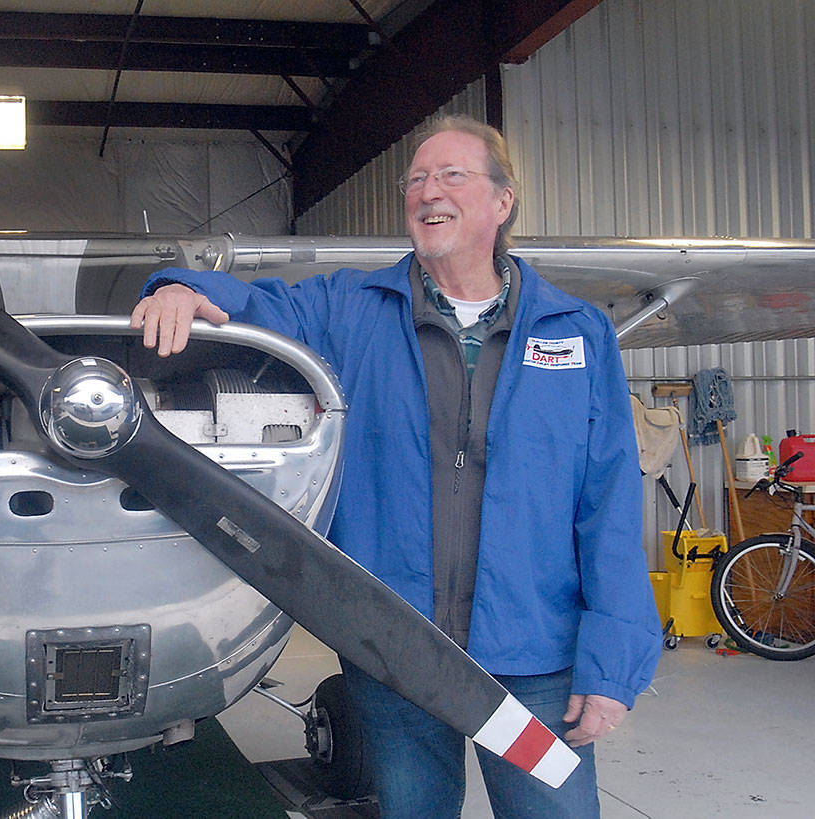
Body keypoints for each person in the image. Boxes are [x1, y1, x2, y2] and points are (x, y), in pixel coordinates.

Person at [130, 114, 661, 817]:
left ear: (503, 202)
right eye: (416, 179)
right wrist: (178, 287)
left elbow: (610, 506)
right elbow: (254, 303)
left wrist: (613, 659)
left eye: (450, 175)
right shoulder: (352, 310)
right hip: (397, 651)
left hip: (537, 653)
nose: (426, 190)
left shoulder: (577, 332)